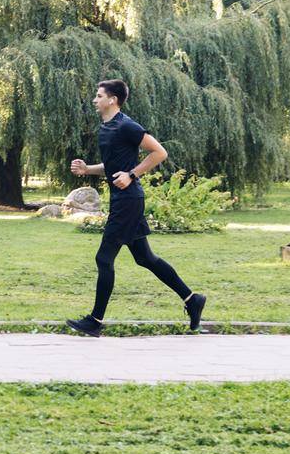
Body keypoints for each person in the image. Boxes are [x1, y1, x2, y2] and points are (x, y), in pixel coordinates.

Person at [64, 79, 206, 337]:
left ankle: (95, 321)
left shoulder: (127, 125)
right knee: (145, 258)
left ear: (112, 100)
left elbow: (159, 152)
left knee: (103, 258)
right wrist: (88, 170)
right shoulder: (106, 127)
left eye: (98, 96)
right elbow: (113, 164)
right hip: (123, 199)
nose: (95, 100)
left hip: (128, 200)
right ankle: (192, 299)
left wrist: (132, 174)